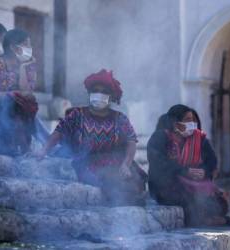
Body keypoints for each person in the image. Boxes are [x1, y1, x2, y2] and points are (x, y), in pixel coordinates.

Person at [36, 69, 147, 206]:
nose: (99, 94)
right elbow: (58, 132)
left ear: (111, 96)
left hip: (116, 160)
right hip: (88, 162)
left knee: (135, 179)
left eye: (104, 91)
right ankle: (123, 202)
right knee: (112, 180)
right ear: (89, 93)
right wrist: (44, 150)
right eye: (95, 90)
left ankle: (132, 201)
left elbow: (131, 141)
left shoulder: (119, 118)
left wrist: (126, 163)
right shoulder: (77, 114)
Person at [147, 104, 230, 226]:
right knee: (190, 199)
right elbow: (158, 163)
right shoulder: (160, 137)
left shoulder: (199, 138)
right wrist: (184, 171)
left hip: (193, 185)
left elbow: (211, 162)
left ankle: (209, 220)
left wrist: (204, 172)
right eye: (188, 120)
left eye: (193, 120)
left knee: (219, 203)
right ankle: (204, 221)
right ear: (175, 123)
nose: (192, 123)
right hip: (165, 187)